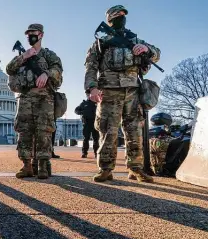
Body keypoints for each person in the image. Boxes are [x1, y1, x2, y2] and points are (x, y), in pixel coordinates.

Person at [84, 5, 161, 183]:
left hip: (132, 92)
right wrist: (91, 88)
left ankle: (135, 169)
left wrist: (145, 49)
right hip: (109, 91)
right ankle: (105, 169)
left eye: (124, 15)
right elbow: (90, 67)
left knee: (134, 131)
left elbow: (157, 54)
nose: (122, 17)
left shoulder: (134, 38)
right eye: (118, 15)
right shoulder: (100, 41)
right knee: (107, 131)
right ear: (110, 18)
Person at [6, 23, 63, 179]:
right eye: (28, 33)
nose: (30, 35)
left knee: (43, 132)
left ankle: (43, 166)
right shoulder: (22, 56)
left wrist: (47, 74)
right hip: (25, 98)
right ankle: (26, 165)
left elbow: (58, 69)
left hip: (45, 98)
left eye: (33, 32)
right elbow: (9, 69)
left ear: (41, 35)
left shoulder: (48, 55)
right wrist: (24, 56)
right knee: (24, 132)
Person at [74, 89, 99, 158]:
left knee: (96, 139)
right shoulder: (84, 103)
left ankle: (96, 153)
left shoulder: (97, 102)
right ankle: (84, 153)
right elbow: (76, 110)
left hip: (96, 123)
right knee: (86, 139)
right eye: (87, 95)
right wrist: (82, 113)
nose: (88, 96)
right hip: (87, 123)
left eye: (89, 94)